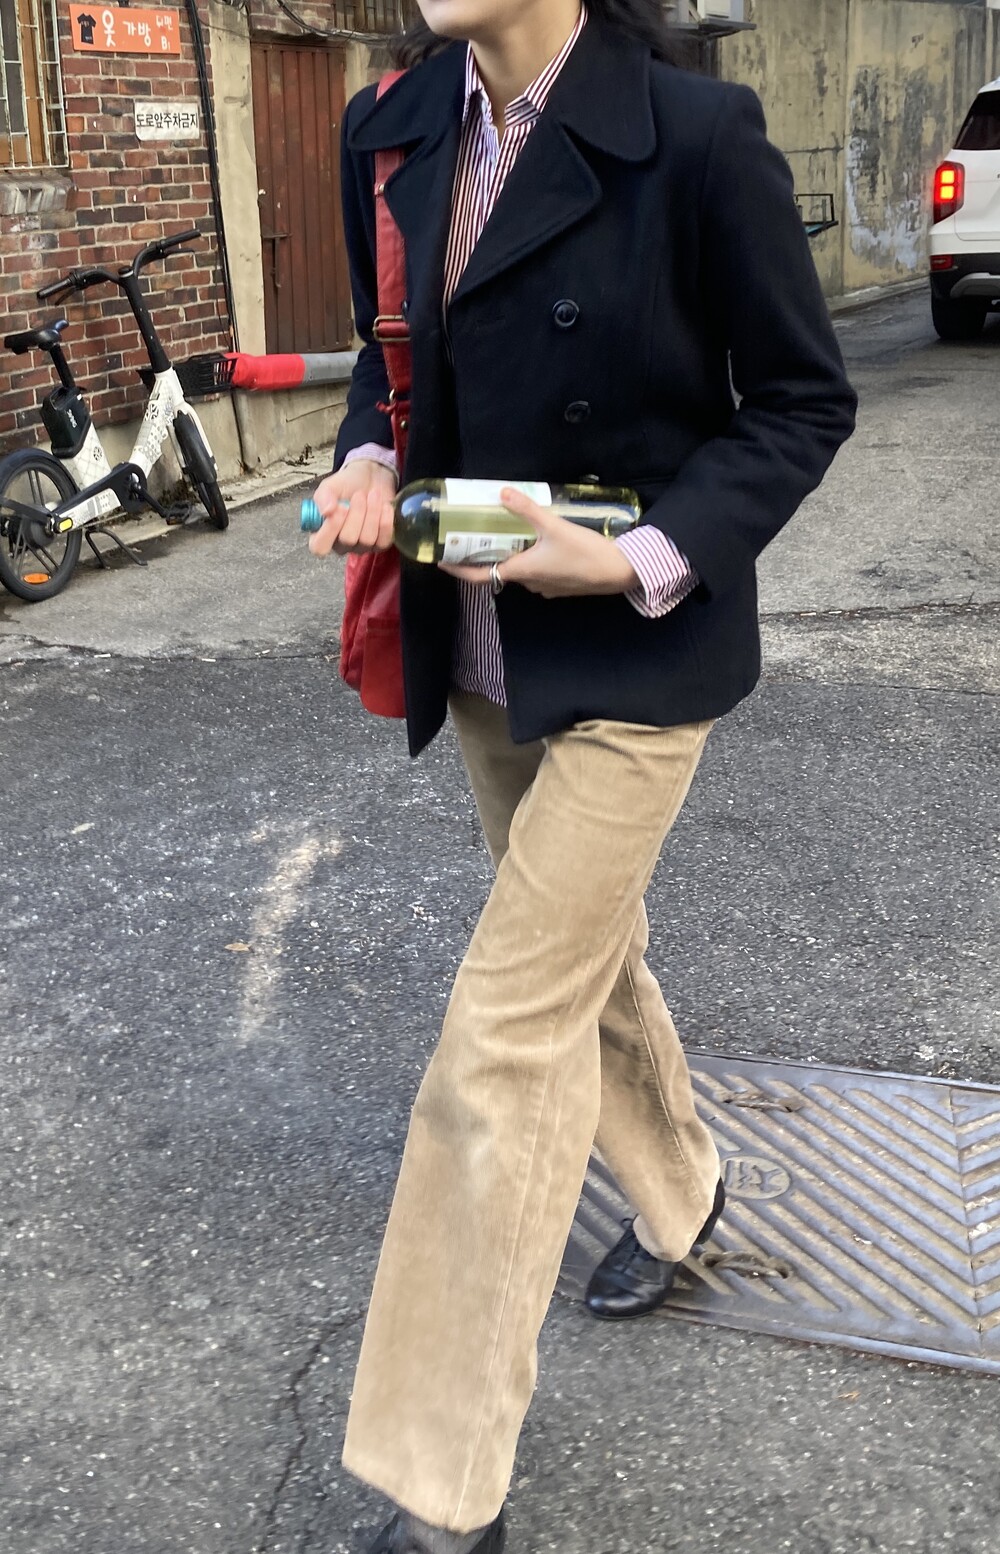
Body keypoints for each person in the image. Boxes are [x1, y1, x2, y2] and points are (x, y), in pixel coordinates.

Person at [307, 0, 857, 1547]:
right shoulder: (394, 129)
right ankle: (684, 1192)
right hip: (484, 647)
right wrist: (366, 458)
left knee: (501, 1034)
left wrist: (635, 557)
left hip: (635, 656)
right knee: (580, 961)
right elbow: (388, 367)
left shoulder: (698, 136)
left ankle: (441, 1479)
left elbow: (803, 401)